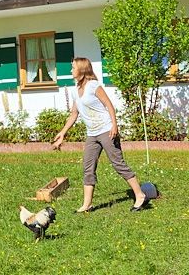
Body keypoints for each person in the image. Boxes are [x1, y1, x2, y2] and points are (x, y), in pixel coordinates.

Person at [52, 57, 147, 212]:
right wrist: (63, 133)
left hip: (106, 130)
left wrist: (114, 126)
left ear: (81, 70)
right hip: (92, 134)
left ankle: (140, 195)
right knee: (88, 167)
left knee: (118, 164)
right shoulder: (76, 90)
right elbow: (74, 114)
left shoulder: (93, 86)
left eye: (73, 67)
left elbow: (109, 105)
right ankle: (87, 204)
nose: (71, 70)